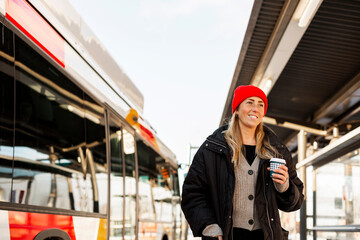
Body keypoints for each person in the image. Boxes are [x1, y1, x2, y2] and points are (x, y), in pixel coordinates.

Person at [181, 85, 304, 240]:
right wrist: (209, 227)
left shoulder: (277, 150)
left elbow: (295, 202)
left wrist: (284, 186)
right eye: (250, 102)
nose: (256, 108)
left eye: (261, 105)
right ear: (237, 110)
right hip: (227, 235)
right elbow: (192, 194)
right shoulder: (212, 149)